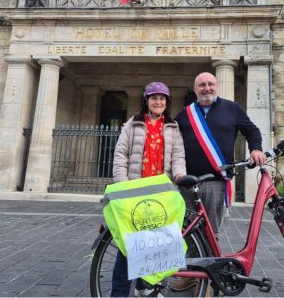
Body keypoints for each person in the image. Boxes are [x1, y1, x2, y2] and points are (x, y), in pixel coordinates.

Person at [171, 72, 265, 291]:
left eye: (210, 84)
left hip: (215, 183)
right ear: (195, 89)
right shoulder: (185, 115)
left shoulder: (232, 109)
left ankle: (206, 281)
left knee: (209, 233)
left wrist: (256, 148)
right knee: (188, 232)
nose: (207, 88)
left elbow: (252, 131)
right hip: (188, 184)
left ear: (217, 86)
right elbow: (171, 141)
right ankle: (192, 275)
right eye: (202, 85)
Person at [111, 82, 186, 297]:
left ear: (167, 102)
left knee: (154, 244)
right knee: (129, 246)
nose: (158, 102)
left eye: (162, 98)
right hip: (135, 191)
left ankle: (145, 287)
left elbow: (178, 156)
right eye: (154, 98)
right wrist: (122, 185)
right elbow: (121, 155)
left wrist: (179, 175)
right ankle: (119, 292)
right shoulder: (132, 125)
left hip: (161, 193)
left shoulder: (172, 127)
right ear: (146, 101)